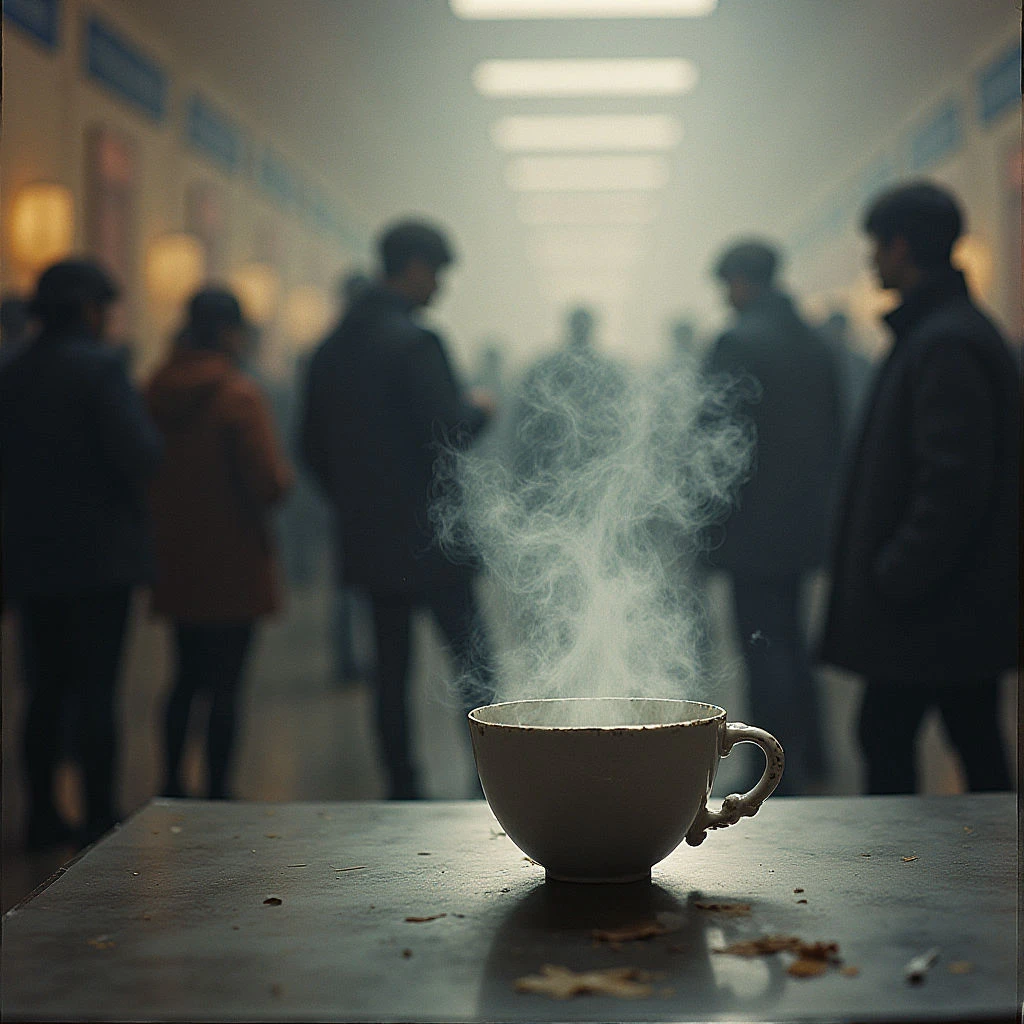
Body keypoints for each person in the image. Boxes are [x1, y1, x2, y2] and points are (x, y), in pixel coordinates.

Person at [819, 181, 1017, 794]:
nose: (871, 260)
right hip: (954, 598)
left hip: (933, 603)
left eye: (876, 246)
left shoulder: (944, 343)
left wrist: (896, 572)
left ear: (901, 246)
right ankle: (992, 871)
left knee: (886, 736)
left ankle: (896, 871)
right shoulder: (945, 332)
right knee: (973, 739)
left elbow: (952, 482)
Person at [299, 219, 495, 799]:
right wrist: (481, 406)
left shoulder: (328, 350)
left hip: (370, 537)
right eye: (437, 273)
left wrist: (357, 501)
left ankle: (402, 787)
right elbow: (449, 430)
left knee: (389, 675)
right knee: (474, 666)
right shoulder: (416, 342)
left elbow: (310, 446)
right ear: (411, 266)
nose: (441, 287)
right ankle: (490, 781)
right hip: (434, 538)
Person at [0, 258, 163, 849]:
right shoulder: (101, 370)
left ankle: (40, 814)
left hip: (32, 560)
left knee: (42, 690)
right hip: (100, 561)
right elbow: (141, 455)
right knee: (97, 689)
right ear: (91, 309)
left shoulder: (11, 371)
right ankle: (98, 813)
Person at [704, 240, 842, 794]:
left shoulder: (736, 343)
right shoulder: (817, 345)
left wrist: (704, 523)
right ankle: (811, 755)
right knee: (793, 640)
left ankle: (772, 765)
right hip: (804, 522)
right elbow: (836, 432)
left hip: (752, 528)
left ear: (740, 280)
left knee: (763, 647)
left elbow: (714, 440)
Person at [146, 288, 294, 799]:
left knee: (184, 675)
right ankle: (217, 789)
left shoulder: (153, 389)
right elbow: (267, 484)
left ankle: (168, 781)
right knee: (226, 684)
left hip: (176, 556)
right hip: (233, 559)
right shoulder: (238, 395)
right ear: (231, 332)